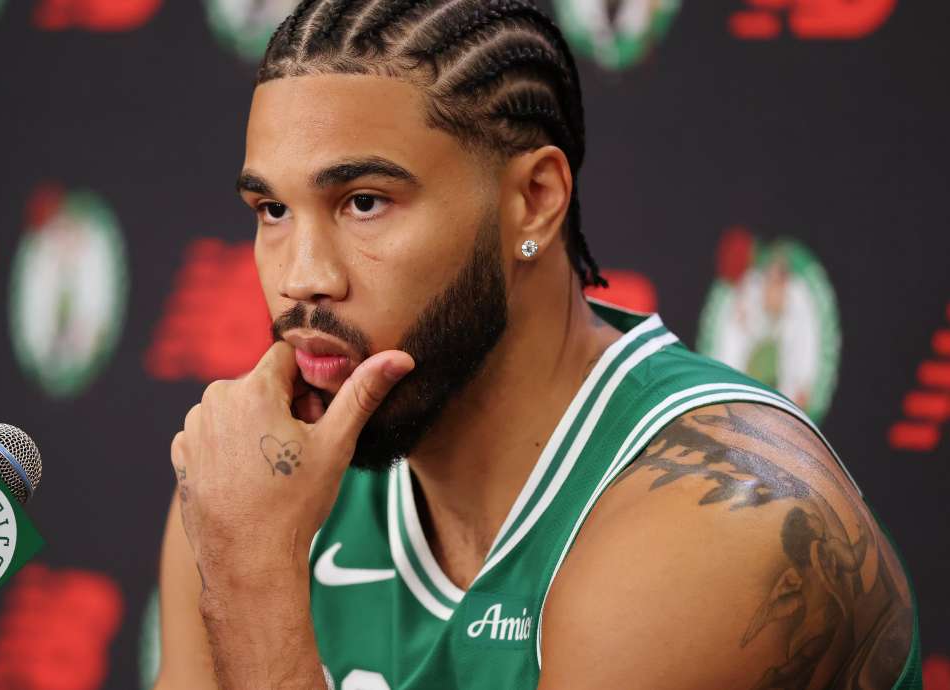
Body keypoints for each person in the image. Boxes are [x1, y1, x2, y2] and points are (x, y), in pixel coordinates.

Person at [155, 1, 920, 688]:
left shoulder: (724, 533)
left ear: (534, 201)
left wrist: (254, 581)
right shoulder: (255, 485)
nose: (302, 280)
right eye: (273, 210)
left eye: (363, 203)